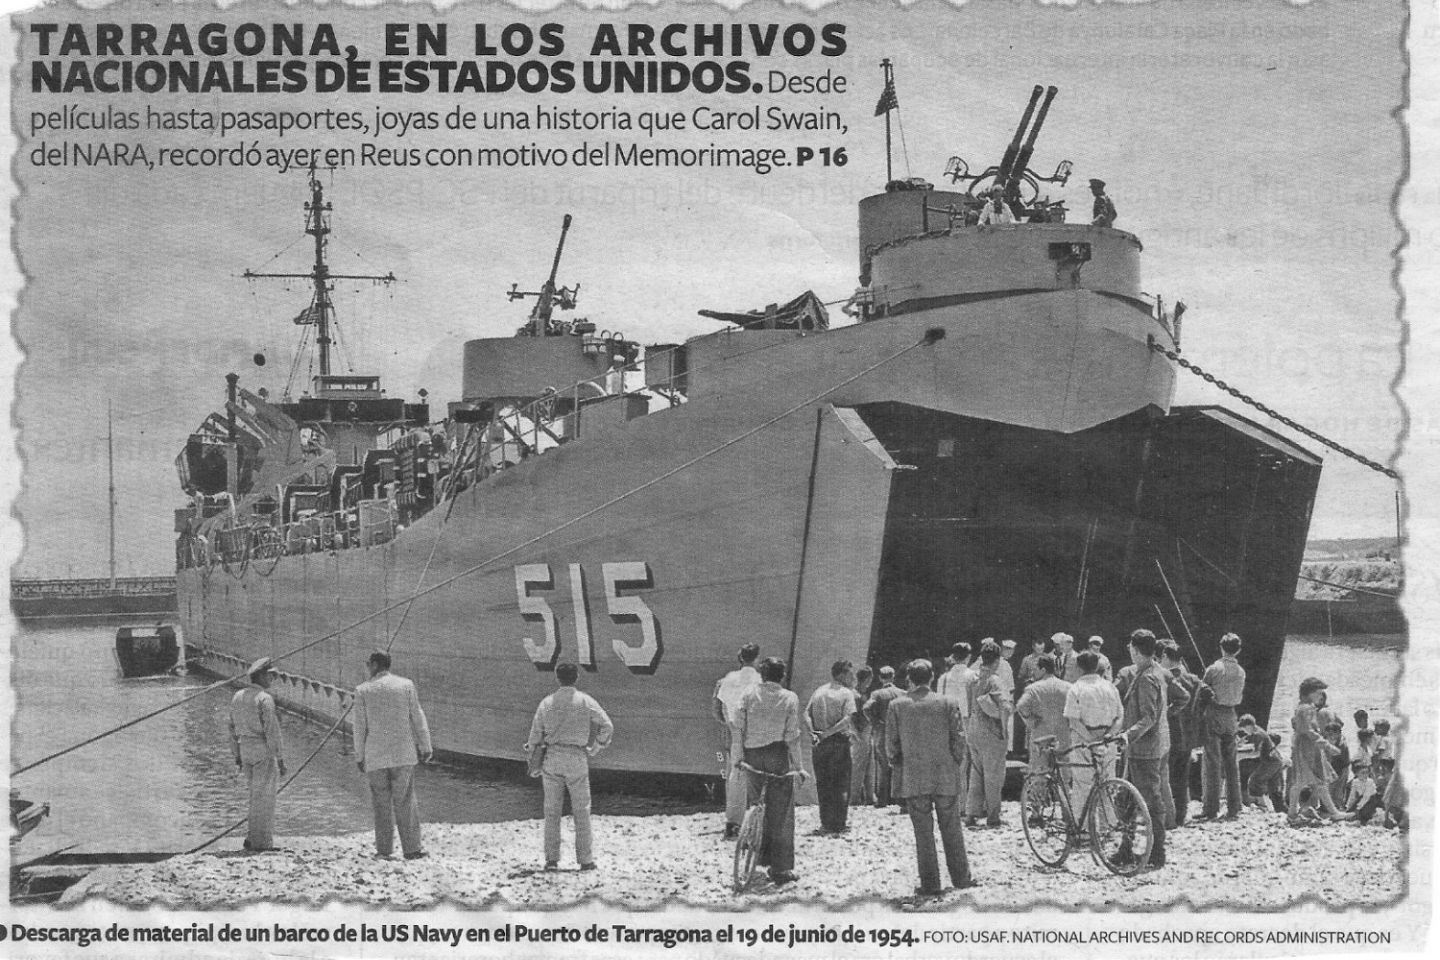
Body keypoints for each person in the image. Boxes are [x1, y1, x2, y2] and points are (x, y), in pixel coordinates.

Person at [885, 658, 974, 896]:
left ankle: (931, 883)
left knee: (923, 833)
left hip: (914, 777)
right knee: (952, 827)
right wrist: (954, 761)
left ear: (909, 679)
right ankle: (961, 878)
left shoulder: (897, 705)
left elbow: (891, 746)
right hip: (945, 774)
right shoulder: (948, 702)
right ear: (932, 677)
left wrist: (900, 764)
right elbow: (959, 738)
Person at [528, 661, 614, 871]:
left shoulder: (546, 703)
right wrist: (596, 747)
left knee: (552, 810)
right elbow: (607, 725)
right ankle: (585, 860)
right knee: (582, 810)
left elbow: (535, 736)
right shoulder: (585, 701)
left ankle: (551, 860)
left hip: (553, 756)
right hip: (577, 756)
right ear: (576, 677)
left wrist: (533, 760)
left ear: (557, 678)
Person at [353, 650, 433, 860]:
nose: (367, 668)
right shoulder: (406, 685)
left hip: (376, 756)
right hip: (402, 754)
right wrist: (426, 746)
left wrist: (359, 755)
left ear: (376, 665)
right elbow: (417, 716)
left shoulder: (362, 690)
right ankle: (412, 848)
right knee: (406, 801)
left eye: (368, 664)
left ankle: (384, 850)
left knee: (381, 804)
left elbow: (359, 727)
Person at [736, 657, 809, 885]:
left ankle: (756, 851)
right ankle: (780, 868)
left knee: (756, 803)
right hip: (777, 755)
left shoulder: (748, 694)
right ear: (782, 675)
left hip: (752, 755)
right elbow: (792, 736)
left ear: (762, 674)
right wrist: (799, 767)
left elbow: (738, 728)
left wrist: (737, 757)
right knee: (782, 811)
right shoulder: (789, 697)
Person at [1118, 629, 1170, 868]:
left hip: (1144, 750)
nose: (1129, 650)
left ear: (1136, 650)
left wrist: (1128, 735)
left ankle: (1157, 852)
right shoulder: (1155, 671)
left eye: (1131, 646)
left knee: (1150, 801)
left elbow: (1148, 717)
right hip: (1143, 748)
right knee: (1127, 799)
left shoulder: (1147, 677)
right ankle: (1126, 849)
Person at [227, 657, 287, 853]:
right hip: (262, 750)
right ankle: (262, 843)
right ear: (260, 675)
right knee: (265, 798)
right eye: (270, 675)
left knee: (254, 795)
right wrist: (280, 758)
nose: (272, 679)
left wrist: (236, 754)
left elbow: (231, 729)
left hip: (245, 750)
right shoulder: (264, 699)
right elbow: (272, 731)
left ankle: (252, 837)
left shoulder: (237, 696)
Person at [1063, 650, 1123, 812]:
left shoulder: (1076, 689)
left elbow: (1074, 721)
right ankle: (1107, 829)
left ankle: (1083, 834)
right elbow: (1119, 716)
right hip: (1108, 741)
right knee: (1108, 784)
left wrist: (1091, 740)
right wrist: (1109, 735)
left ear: (1078, 668)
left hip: (1084, 741)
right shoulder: (1110, 687)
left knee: (1082, 787)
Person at [713, 643, 762, 839]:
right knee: (759, 776)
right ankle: (756, 823)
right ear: (756, 658)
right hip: (756, 732)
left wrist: (730, 725)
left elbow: (717, 709)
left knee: (735, 775)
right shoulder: (761, 680)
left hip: (734, 732)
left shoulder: (727, 680)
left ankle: (733, 823)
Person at [806, 659, 861, 834]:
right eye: (850, 673)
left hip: (819, 744)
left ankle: (825, 823)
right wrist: (828, 733)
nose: (852, 677)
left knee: (823, 783)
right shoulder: (846, 693)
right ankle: (838, 823)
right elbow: (847, 719)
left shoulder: (819, 691)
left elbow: (805, 713)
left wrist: (813, 733)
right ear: (842, 674)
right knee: (841, 783)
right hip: (838, 742)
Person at [964, 640, 1011, 828]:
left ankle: (971, 813)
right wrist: (1004, 729)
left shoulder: (973, 679)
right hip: (991, 732)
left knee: (976, 773)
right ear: (997, 660)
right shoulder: (995, 680)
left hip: (974, 729)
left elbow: (969, 705)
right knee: (994, 776)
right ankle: (993, 816)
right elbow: (1005, 706)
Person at [1198, 632, 1246, 821]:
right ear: (1238, 650)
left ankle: (1211, 808)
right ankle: (1234, 807)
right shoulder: (1241, 671)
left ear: (1221, 647)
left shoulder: (1214, 668)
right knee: (1231, 763)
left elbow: (1202, 690)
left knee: (1213, 762)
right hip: (1232, 715)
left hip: (1215, 713)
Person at [1289, 677, 1343, 825]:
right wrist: (1328, 746)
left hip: (1308, 747)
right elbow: (1308, 731)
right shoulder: (1306, 709)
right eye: (1318, 692)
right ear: (1310, 692)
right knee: (1311, 781)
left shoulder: (1304, 707)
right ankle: (1333, 812)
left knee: (1310, 781)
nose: (1321, 696)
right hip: (1307, 748)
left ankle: (1292, 812)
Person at [1157, 641, 1199, 826]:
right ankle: (1180, 814)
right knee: (1182, 777)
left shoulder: (1167, 678)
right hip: (1188, 734)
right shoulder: (1191, 678)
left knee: (1167, 777)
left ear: (1166, 656)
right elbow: (1204, 694)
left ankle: (1168, 816)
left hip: (1172, 732)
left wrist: (1167, 712)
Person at [1014, 654, 1070, 773]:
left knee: (1039, 774)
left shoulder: (1033, 688)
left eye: (1035, 669)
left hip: (1041, 737)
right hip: (1063, 737)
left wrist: (1031, 721)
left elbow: (1021, 706)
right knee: (1064, 775)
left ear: (1043, 670)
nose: (1033, 672)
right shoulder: (1068, 687)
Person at [866, 666, 905, 807]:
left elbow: (866, 708)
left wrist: (875, 722)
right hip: (900, 732)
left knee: (883, 766)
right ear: (893, 677)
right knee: (900, 764)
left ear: (880, 678)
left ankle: (882, 800)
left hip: (883, 731)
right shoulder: (903, 693)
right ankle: (900, 799)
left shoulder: (877, 694)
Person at [850, 665, 876, 806]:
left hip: (866, 731)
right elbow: (851, 716)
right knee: (859, 767)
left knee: (868, 765)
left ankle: (869, 797)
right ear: (867, 679)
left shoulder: (861, 694)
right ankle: (853, 798)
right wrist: (855, 733)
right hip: (861, 733)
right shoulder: (855, 695)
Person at [1323, 720, 1351, 810]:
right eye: (1328, 734)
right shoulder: (1330, 741)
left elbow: (1342, 761)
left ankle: (1338, 806)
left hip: (1342, 768)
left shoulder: (1342, 744)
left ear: (1338, 733)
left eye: (1331, 734)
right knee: (1330, 788)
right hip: (1333, 767)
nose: (1329, 736)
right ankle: (1331, 806)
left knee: (1339, 789)